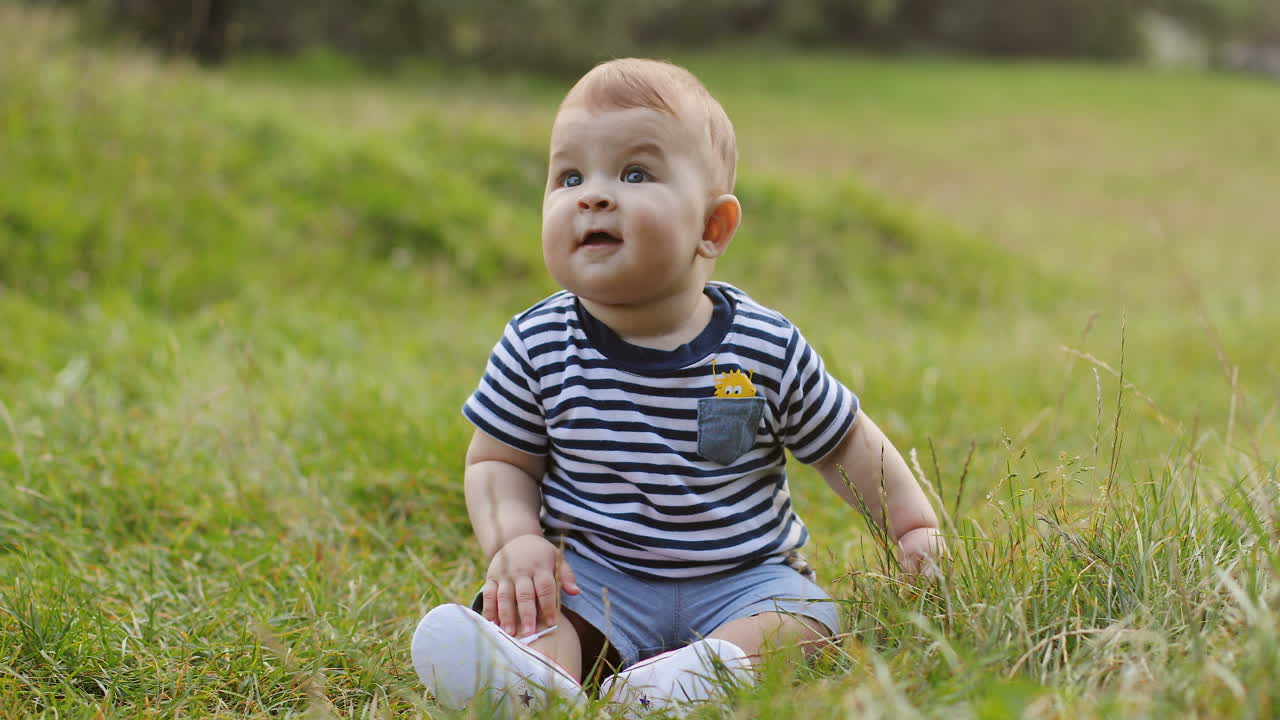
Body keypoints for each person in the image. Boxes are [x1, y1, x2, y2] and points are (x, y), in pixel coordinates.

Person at [412, 57, 944, 717]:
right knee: (535, 609)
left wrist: (910, 525)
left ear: (711, 229)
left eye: (635, 174)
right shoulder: (537, 344)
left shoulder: (766, 347)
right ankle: (534, 680)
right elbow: (498, 460)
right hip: (597, 579)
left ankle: (696, 677)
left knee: (804, 616)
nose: (593, 195)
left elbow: (843, 446)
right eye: (569, 176)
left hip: (742, 580)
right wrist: (515, 540)